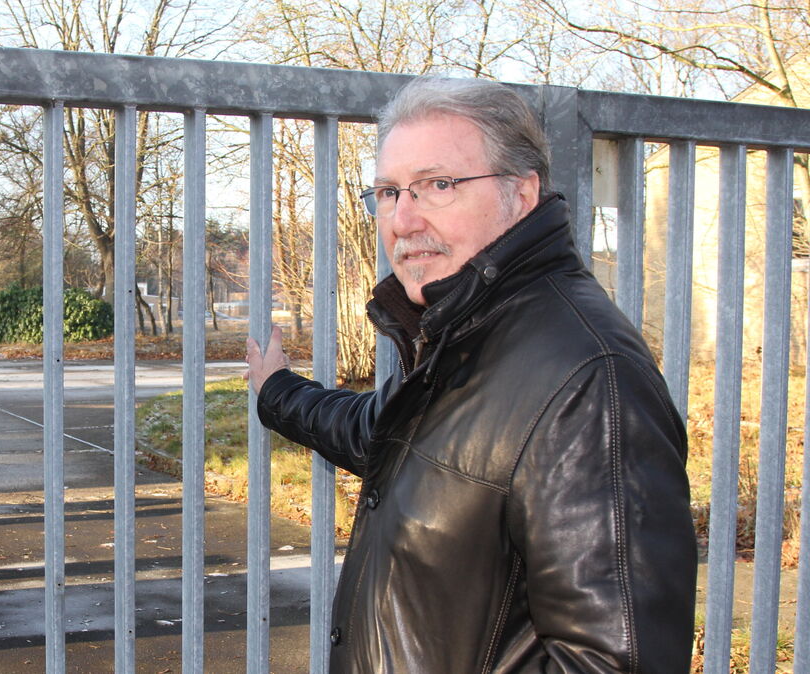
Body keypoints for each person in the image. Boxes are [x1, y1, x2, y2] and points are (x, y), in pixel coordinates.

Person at [245, 77, 696, 672]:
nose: (403, 219)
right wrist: (277, 390)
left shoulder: (590, 383)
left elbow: (615, 662)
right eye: (388, 191)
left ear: (522, 194)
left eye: (438, 185)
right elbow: (385, 433)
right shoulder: (467, 335)